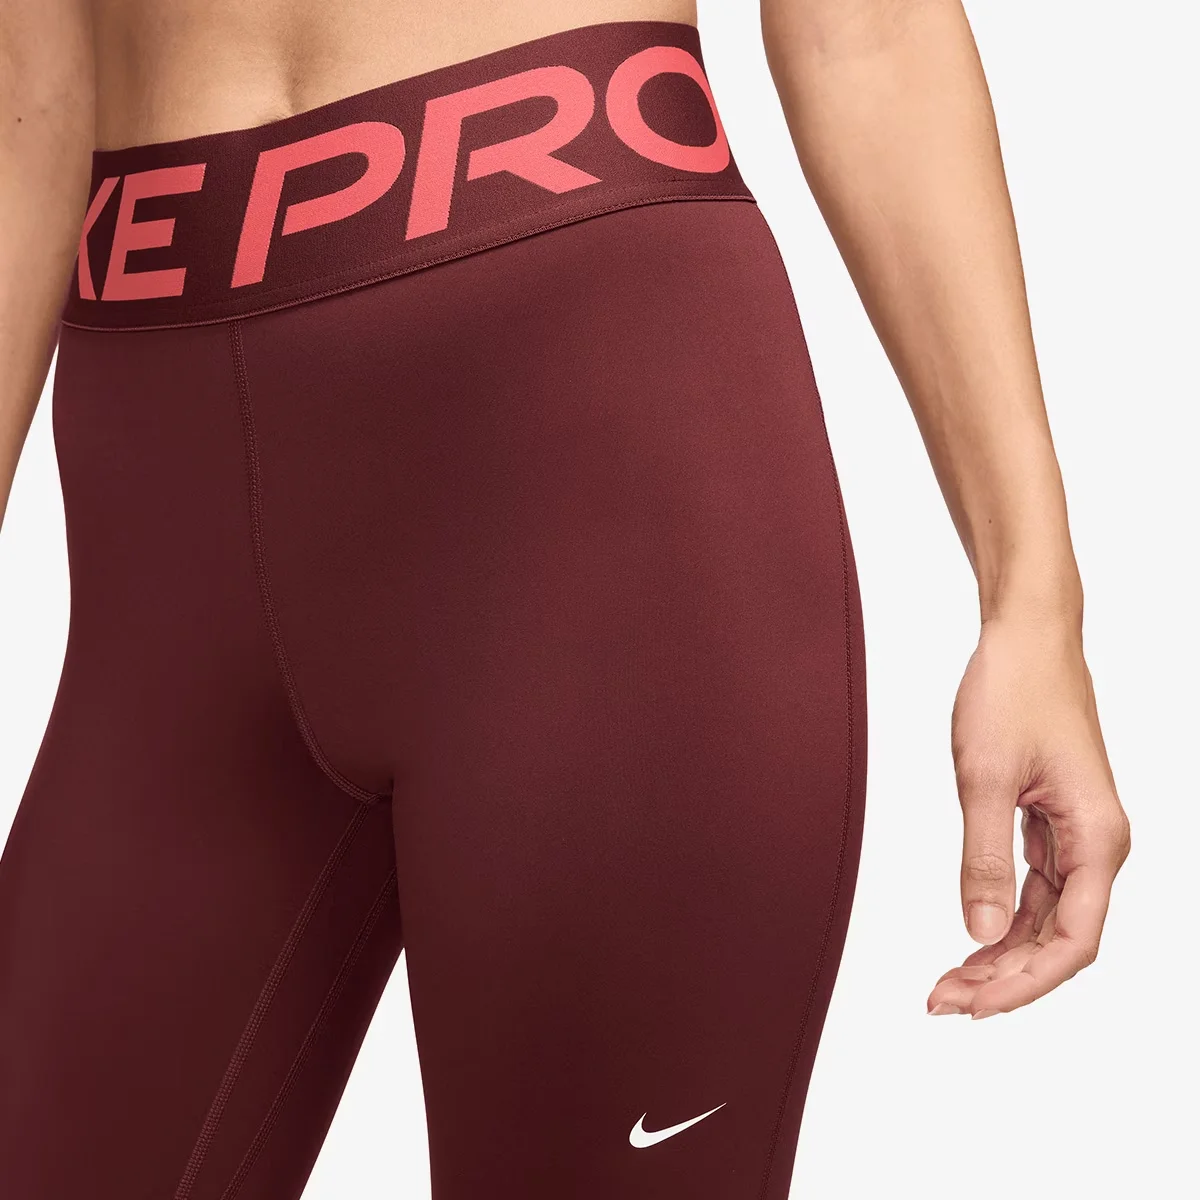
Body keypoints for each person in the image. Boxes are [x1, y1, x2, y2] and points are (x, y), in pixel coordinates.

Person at [0, 1, 1130, 1197]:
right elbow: (27, 94)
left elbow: (867, 30)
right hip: (162, 550)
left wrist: (1033, 602)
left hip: (597, 468)